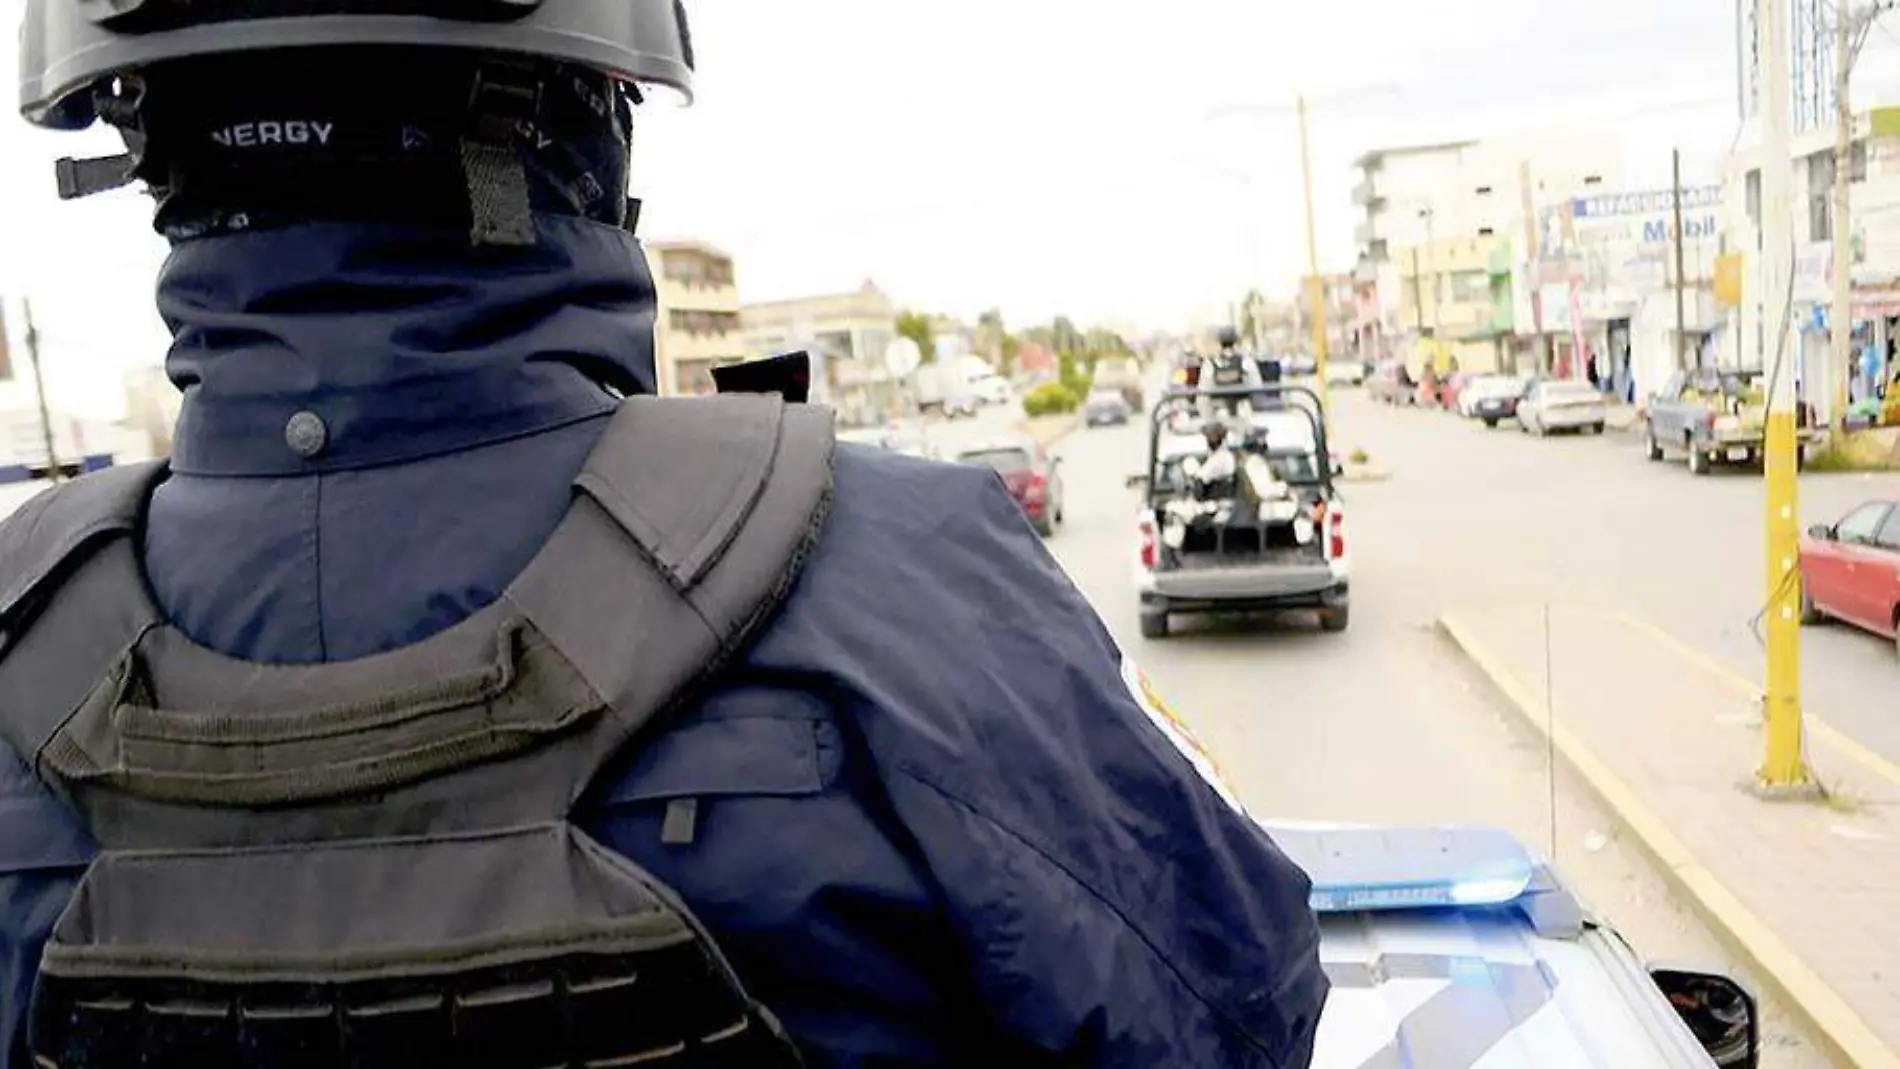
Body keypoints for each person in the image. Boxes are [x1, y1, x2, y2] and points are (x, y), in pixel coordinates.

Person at [1, 3, 1327, 1068]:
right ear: (591, 127)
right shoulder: (898, 573)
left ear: (141, 151)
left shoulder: (18, 647)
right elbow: (1238, 1012)